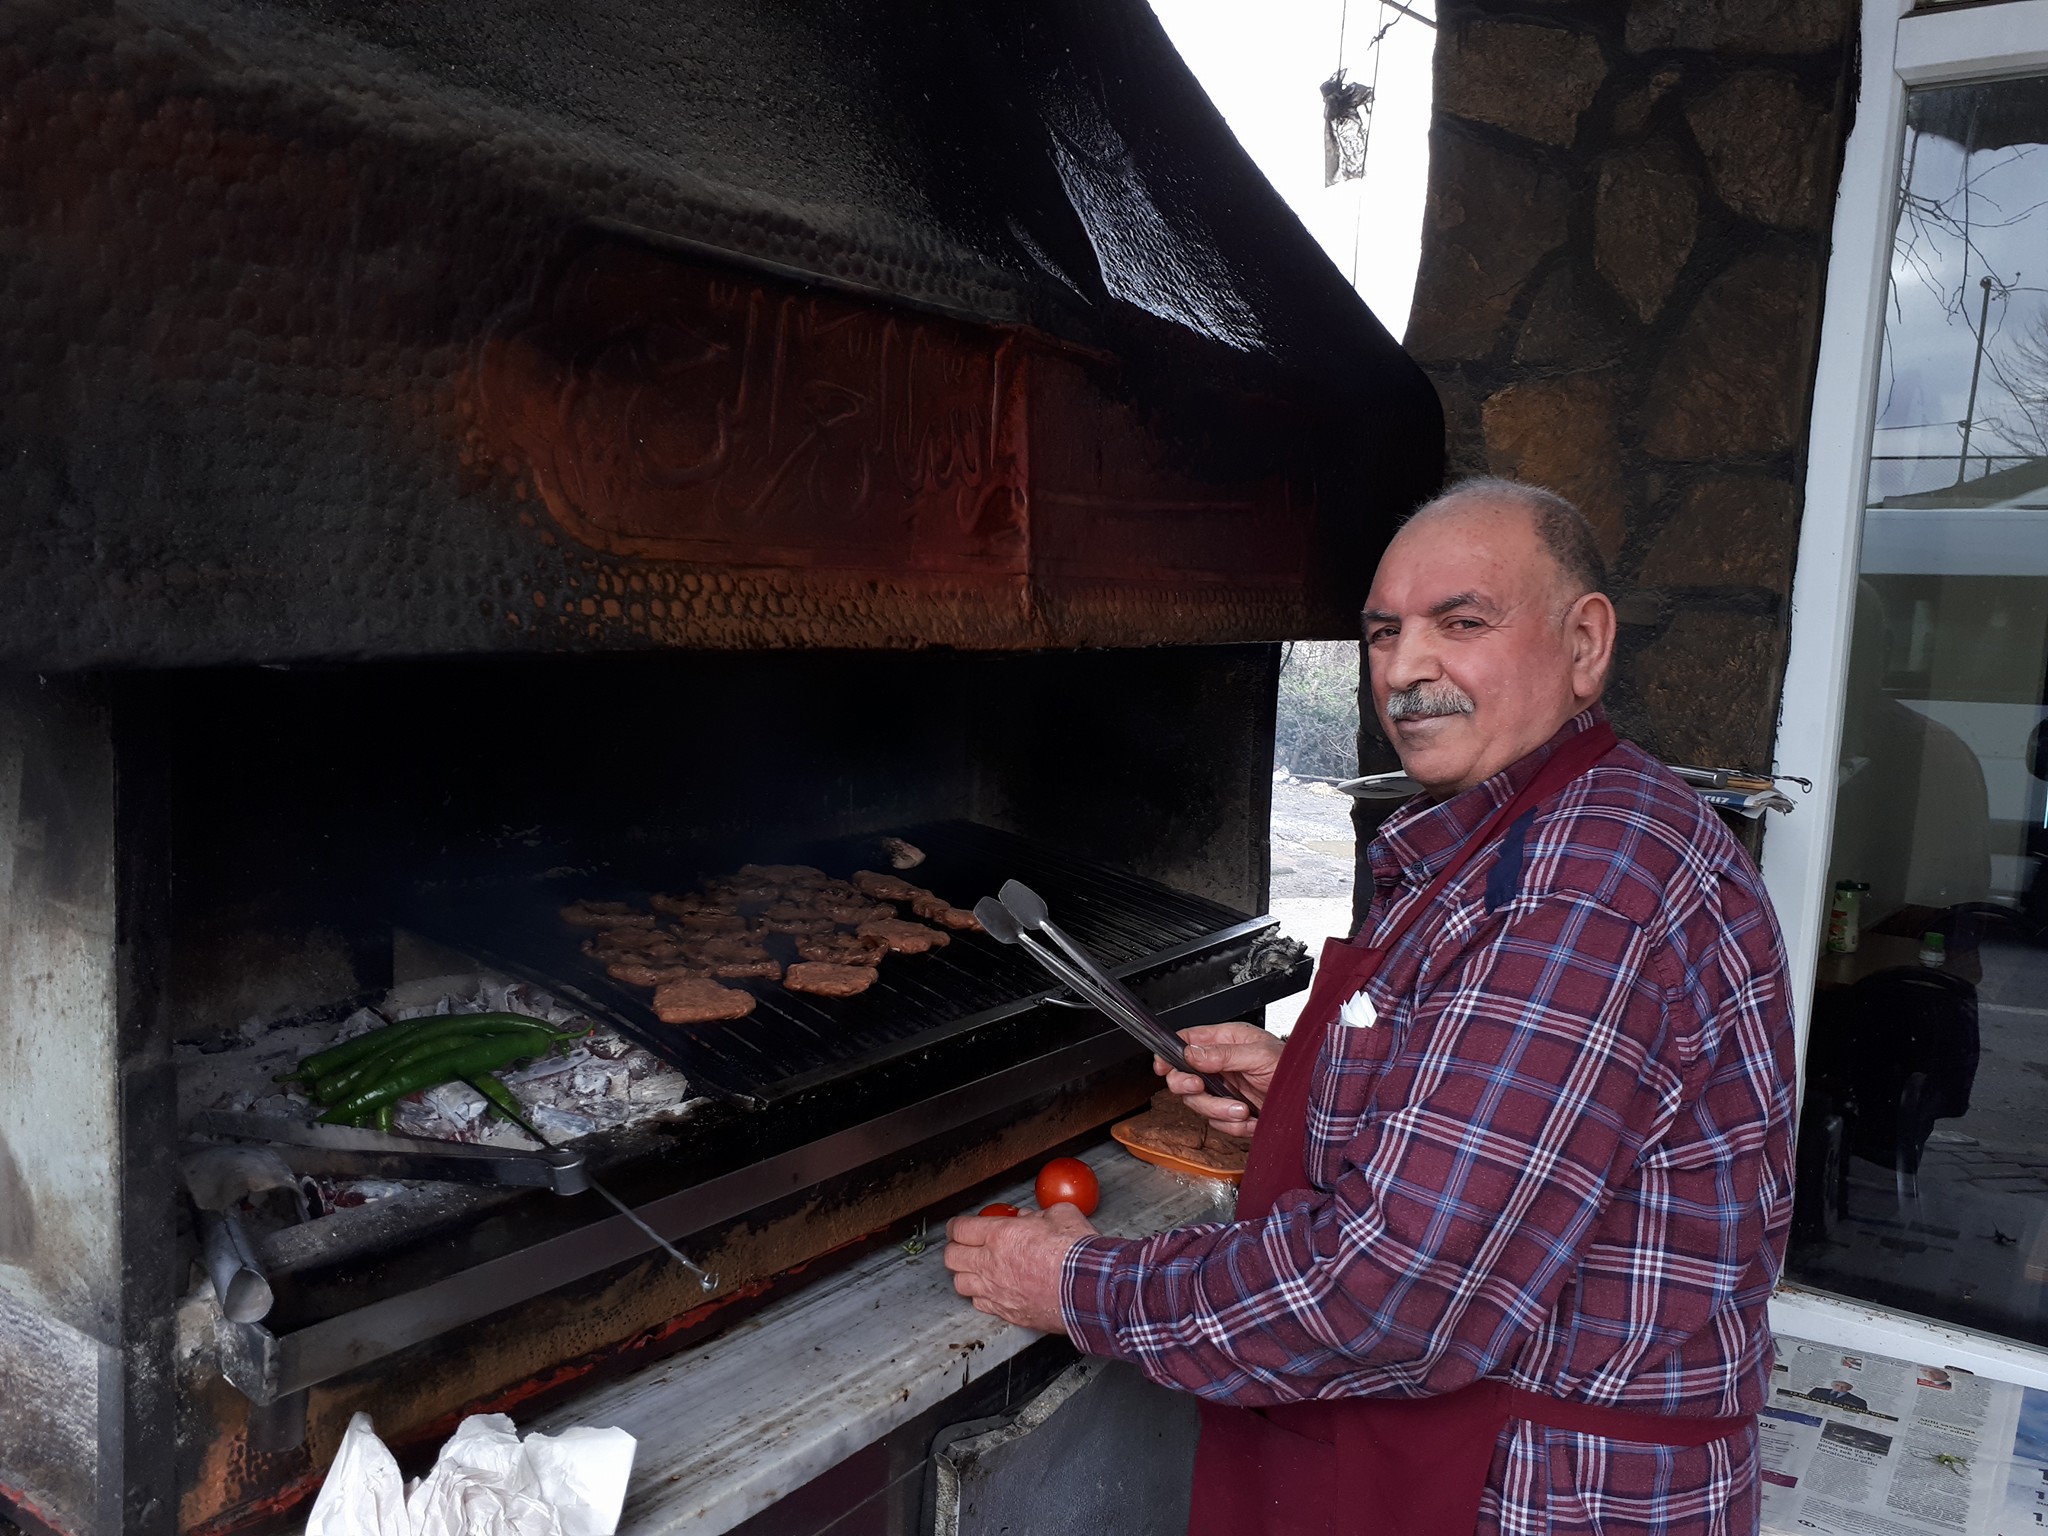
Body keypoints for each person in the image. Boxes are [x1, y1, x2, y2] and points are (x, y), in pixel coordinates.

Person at [944, 477, 1799, 1536]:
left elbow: (1393, 1296)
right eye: (1383, 632)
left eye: (1461, 623)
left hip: (1537, 1491)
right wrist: (1311, 1101)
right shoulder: (1539, 828)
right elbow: (1512, 1126)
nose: (1404, 669)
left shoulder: (1580, 888)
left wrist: (1077, 1284)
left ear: (1584, 644)